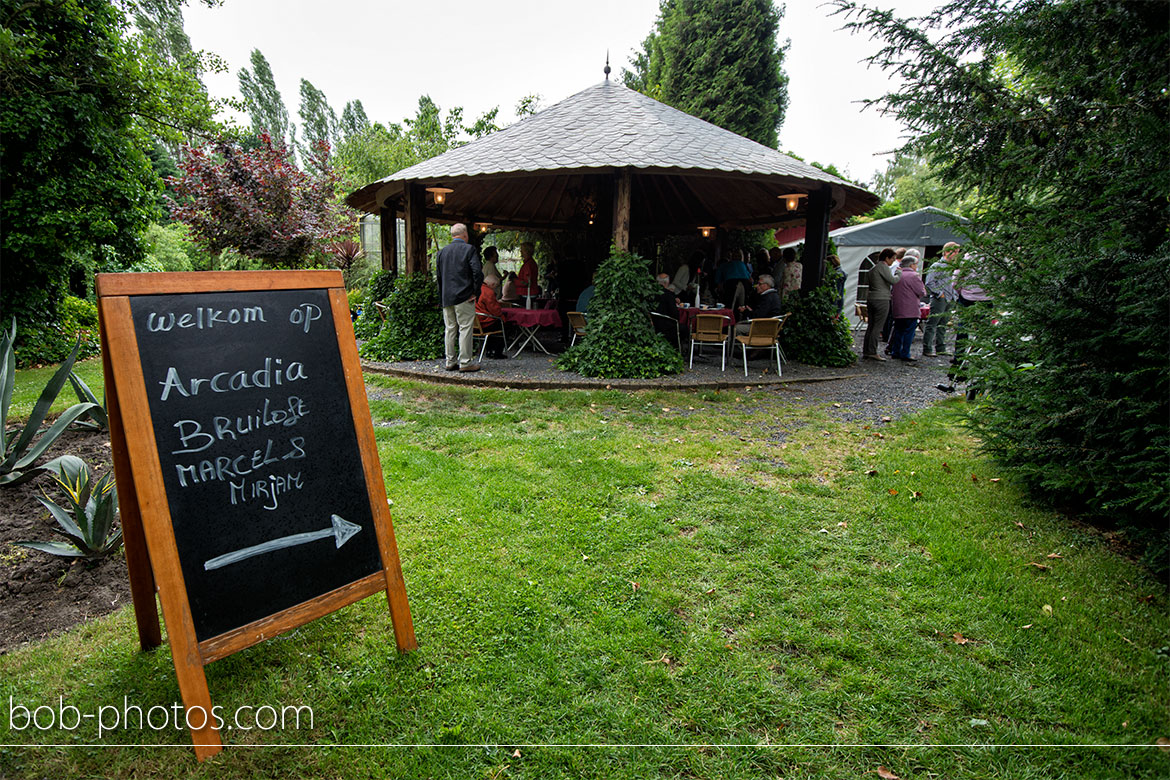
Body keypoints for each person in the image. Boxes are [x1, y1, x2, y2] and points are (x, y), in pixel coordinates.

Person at [436, 223, 483, 372]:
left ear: (452, 235)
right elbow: (477, 272)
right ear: (465, 235)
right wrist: (475, 292)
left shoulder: (442, 252)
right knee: (465, 329)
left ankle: (450, 361)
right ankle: (465, 362)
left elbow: (438, 277)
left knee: (450, 329)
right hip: (464, 296)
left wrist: (441, 296)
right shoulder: (469, 250)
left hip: (446, 297)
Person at [863, 248, 901, 360]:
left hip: (871, 298)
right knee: (877, 326)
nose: (893, 261)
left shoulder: (873, 268)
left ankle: (867, 350)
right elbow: (893, 280)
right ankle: (872, 351)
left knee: (871, 326)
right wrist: (899, 273)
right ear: (886, 258)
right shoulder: (883, 267)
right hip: (882, 299)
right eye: (892, 259)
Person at [922, 242, 958, 356]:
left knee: (943, 324)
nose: (957, 255)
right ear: (947, 252)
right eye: (955, 252)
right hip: (940, 299)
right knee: (932, 323)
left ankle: (941, 348)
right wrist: (940, 294)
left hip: (950, 298)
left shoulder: (954, 267)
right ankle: (927, 348)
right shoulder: (937, 266)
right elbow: (929, 282)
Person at [889, 255, 927, 361]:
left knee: (898, 330)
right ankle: (905, 353)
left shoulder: (897, 274)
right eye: (916, 264)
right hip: (910, 308)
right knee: (909, 332)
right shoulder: (914, 276)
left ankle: (895, 351)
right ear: (911, 265)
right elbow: (921, 292)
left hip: (898, 307)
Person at [477, 274, 508, 359]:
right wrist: (503, 317)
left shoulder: (476, 287)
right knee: (504, 325)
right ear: (492, 285)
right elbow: (495, 310)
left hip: (474, 322)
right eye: (496, 286)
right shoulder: (488, 292)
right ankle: (497, 352)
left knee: (496, 325)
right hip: (484, 322)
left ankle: (489, 350)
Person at [653, 273, 682, 348]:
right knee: (685, 329)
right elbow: (675, 315)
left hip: (653, 323)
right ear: (667, 283)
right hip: (667, 326)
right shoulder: (669, 295)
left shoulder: (651, 294)